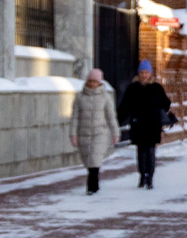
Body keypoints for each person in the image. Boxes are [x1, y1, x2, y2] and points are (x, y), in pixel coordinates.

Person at [119, 59, 175, 188]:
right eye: (142, 72)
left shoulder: (156, 87)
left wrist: (158, 108)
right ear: (139, 73)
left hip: (152, 125)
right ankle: (142, 175)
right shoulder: (132, 88)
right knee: (140, 151)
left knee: (150, 151)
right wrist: (118, 120)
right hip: (138, 124)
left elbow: (166, 103)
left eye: (146, 72)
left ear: (150, 74)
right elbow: (125, 106)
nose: (144, 75)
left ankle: (150, 176)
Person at [73, 66, 118, 194]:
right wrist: (73, 134)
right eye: (90, 81)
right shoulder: (80, 97)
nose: (92, 84)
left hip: (100, 133)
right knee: (88, 160)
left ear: (99, 82)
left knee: (94, 158)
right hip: (84, 133)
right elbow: (74, 117)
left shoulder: (105, 97)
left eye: (95, 81)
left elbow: (111, 117)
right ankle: (94, 182)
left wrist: (115, 132)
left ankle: (92, 186)